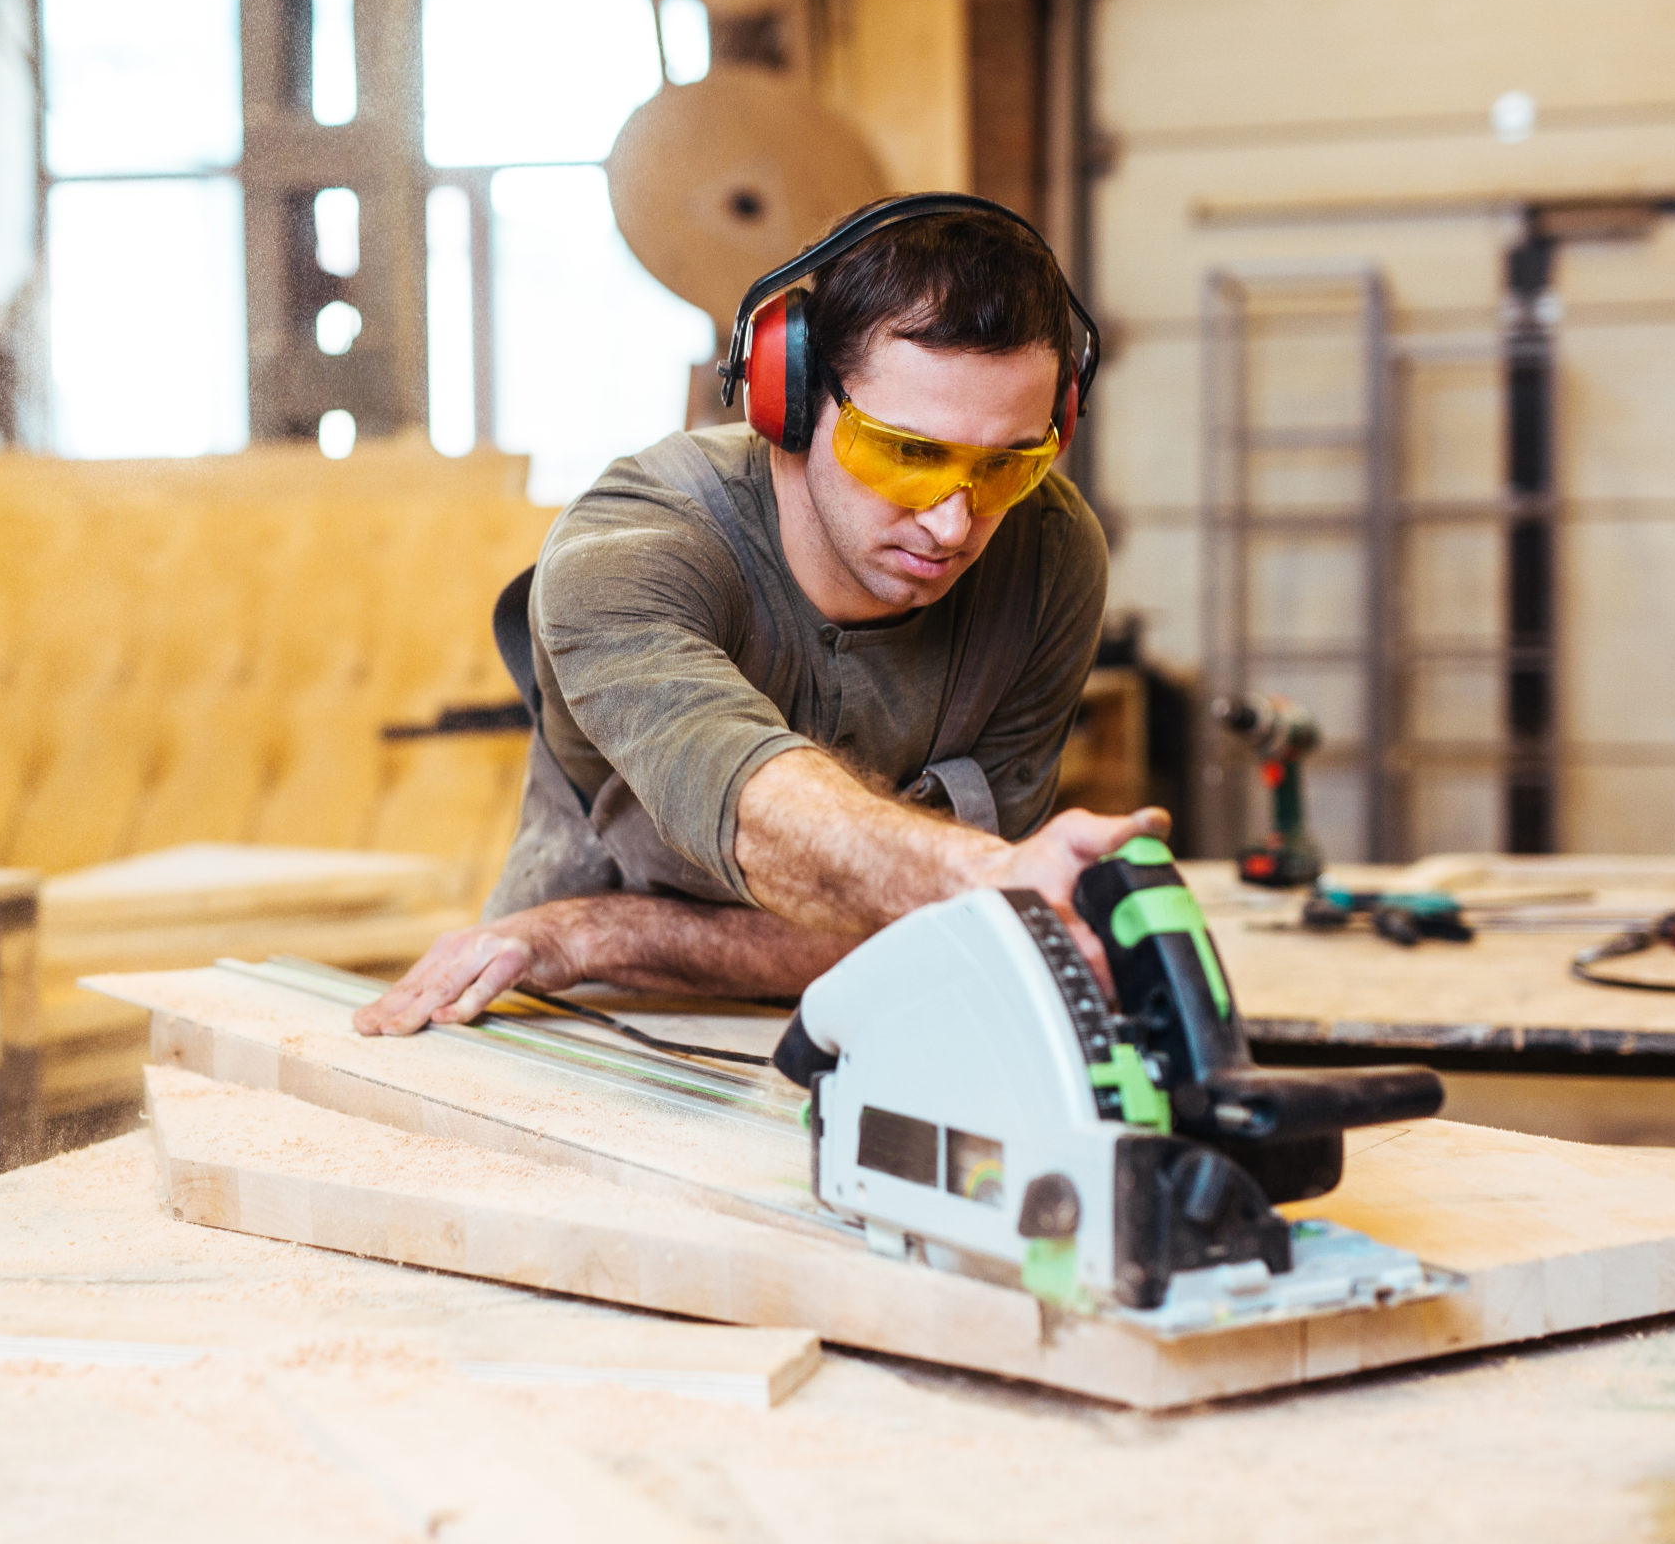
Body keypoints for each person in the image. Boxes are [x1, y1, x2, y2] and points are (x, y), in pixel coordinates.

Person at [358, 193, 1167, 1037]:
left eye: (1007, 465)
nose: (953, 522)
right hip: (579, 1018)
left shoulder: (1050, 556)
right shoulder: (629, 547)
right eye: (907, 455)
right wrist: (989, 880)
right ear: (791, 397)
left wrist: (600, 929)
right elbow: (758, 808)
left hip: (883, 1019)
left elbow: (948, 935)